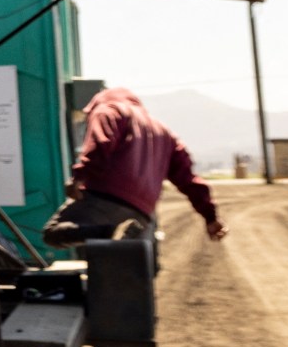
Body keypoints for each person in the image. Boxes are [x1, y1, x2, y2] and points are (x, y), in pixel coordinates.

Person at [44, 86, 227, 245]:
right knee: (123, 266)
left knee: (53, 233)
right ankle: (112, 238)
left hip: (103, 198)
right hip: (142, 212)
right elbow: (188, 179)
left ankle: (108, 233)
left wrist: (79, 177)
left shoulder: (108, 110)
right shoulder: (162, 131)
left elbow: (100, 144)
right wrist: (210, 216)